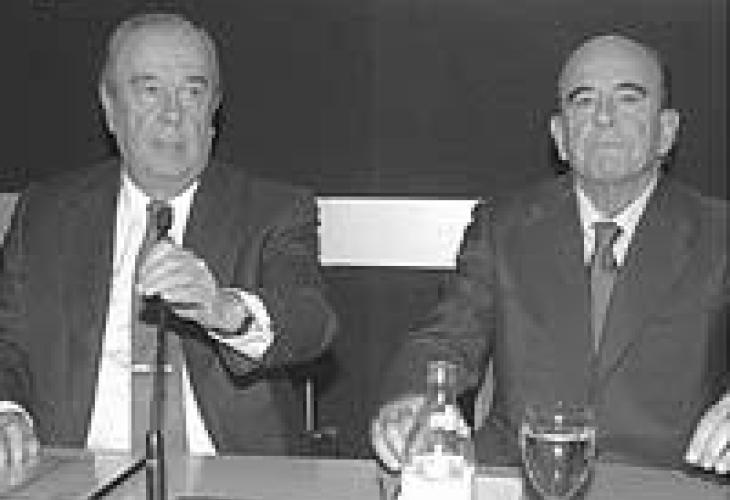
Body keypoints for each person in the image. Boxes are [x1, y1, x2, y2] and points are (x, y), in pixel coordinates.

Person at [371, 34, 728, 476]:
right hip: (519, 475)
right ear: (560, 136)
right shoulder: (503, 226)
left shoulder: (718, 234)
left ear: (667, 131)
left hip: (670, 481)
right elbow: (447, 338)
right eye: (584, 101)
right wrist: (411, 398)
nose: (604, 117)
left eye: (628, 99)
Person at [0, 11, 337, 465]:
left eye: (192, 92)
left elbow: (310, 322)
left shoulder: (272, 210)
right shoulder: (46, 214)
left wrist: (225, 311)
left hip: (231, 475)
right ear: (110, 107)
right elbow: (8, 343)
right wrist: (8, 410)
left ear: (214, 111)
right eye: (150, 90)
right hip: (76, 471)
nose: (173, 115)